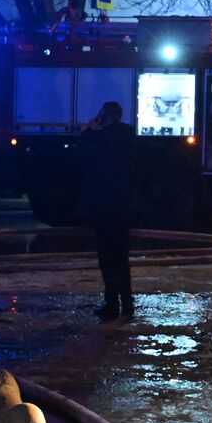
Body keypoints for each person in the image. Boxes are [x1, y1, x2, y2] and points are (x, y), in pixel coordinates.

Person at [76, 100, 137, 321]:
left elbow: (81, 155)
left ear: (105, 116)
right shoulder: (129, 135)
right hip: (123, 206)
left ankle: (112, 304)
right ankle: (127, 303)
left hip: (103, 206)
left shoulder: (98, 138)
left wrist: (89, 130)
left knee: (107, 256)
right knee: (121, 256)